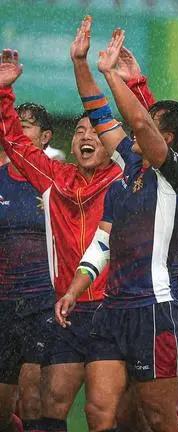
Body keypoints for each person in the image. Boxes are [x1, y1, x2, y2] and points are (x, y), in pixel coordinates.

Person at [54, 25, 178, 431]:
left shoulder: (177, 179)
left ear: (166, 138)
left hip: (159, 312)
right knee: (99, 412)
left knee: (156, 417)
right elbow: (100, 113)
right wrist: (80, 63)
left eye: (148, 125)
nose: (134, 124)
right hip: (114, 309)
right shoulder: (127, 168)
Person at [0, 41, 122, 432]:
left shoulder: (122, 177)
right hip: (67, 310)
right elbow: (17, 144)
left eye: (96, 132)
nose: (87, 136)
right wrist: (3, 93)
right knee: (50, 405)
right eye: (80, 131)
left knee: (108, 413)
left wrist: (89, 67)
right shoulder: (56, 178)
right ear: (69, 142)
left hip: (113, 307)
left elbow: (139, 132)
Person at [0, 98, 55, 432]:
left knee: (34, 397)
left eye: (27, 125)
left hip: (43, 304)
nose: (18, 130)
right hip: (4, 305)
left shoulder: (56, 181)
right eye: (15, 124)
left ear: (45, 137)